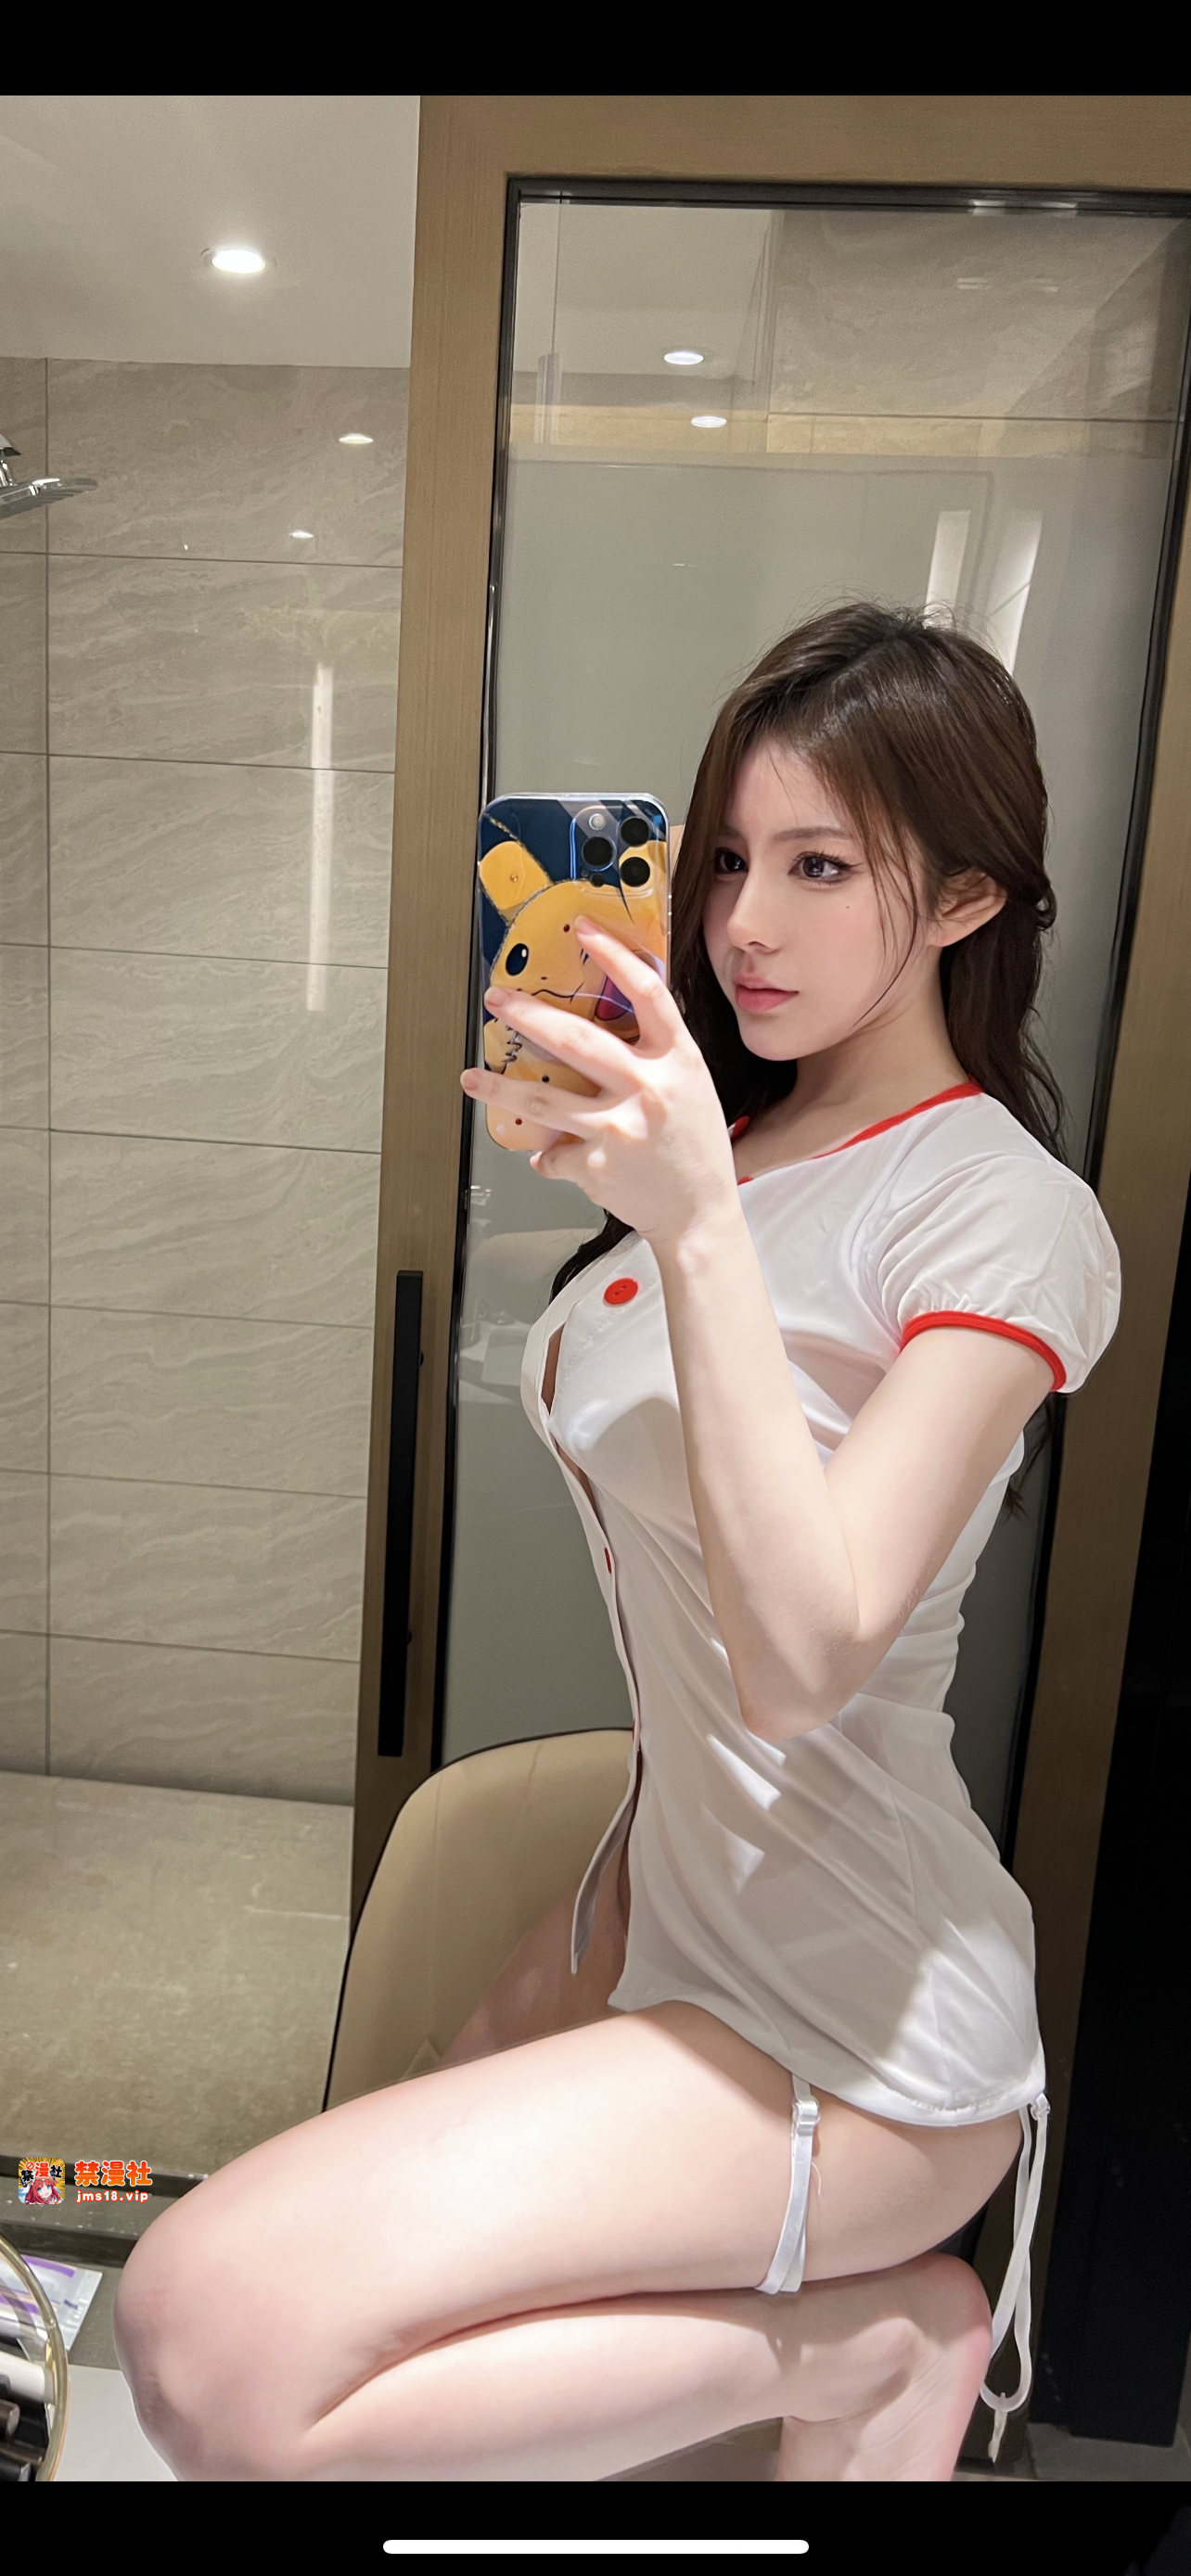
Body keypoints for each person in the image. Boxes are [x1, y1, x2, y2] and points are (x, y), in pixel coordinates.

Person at [114, 605, 1120, 2483]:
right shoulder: (741, 1140)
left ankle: (872, 2353)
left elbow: (801, 1661)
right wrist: (628, 1193)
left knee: (205, 2346)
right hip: (665, 1903)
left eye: (823, 867)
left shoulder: (1002, 1214)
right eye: (726, 857)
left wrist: (695, 1224)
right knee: (282, 2284)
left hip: (861, 2020)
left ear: (970, 900)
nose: (743, 923)